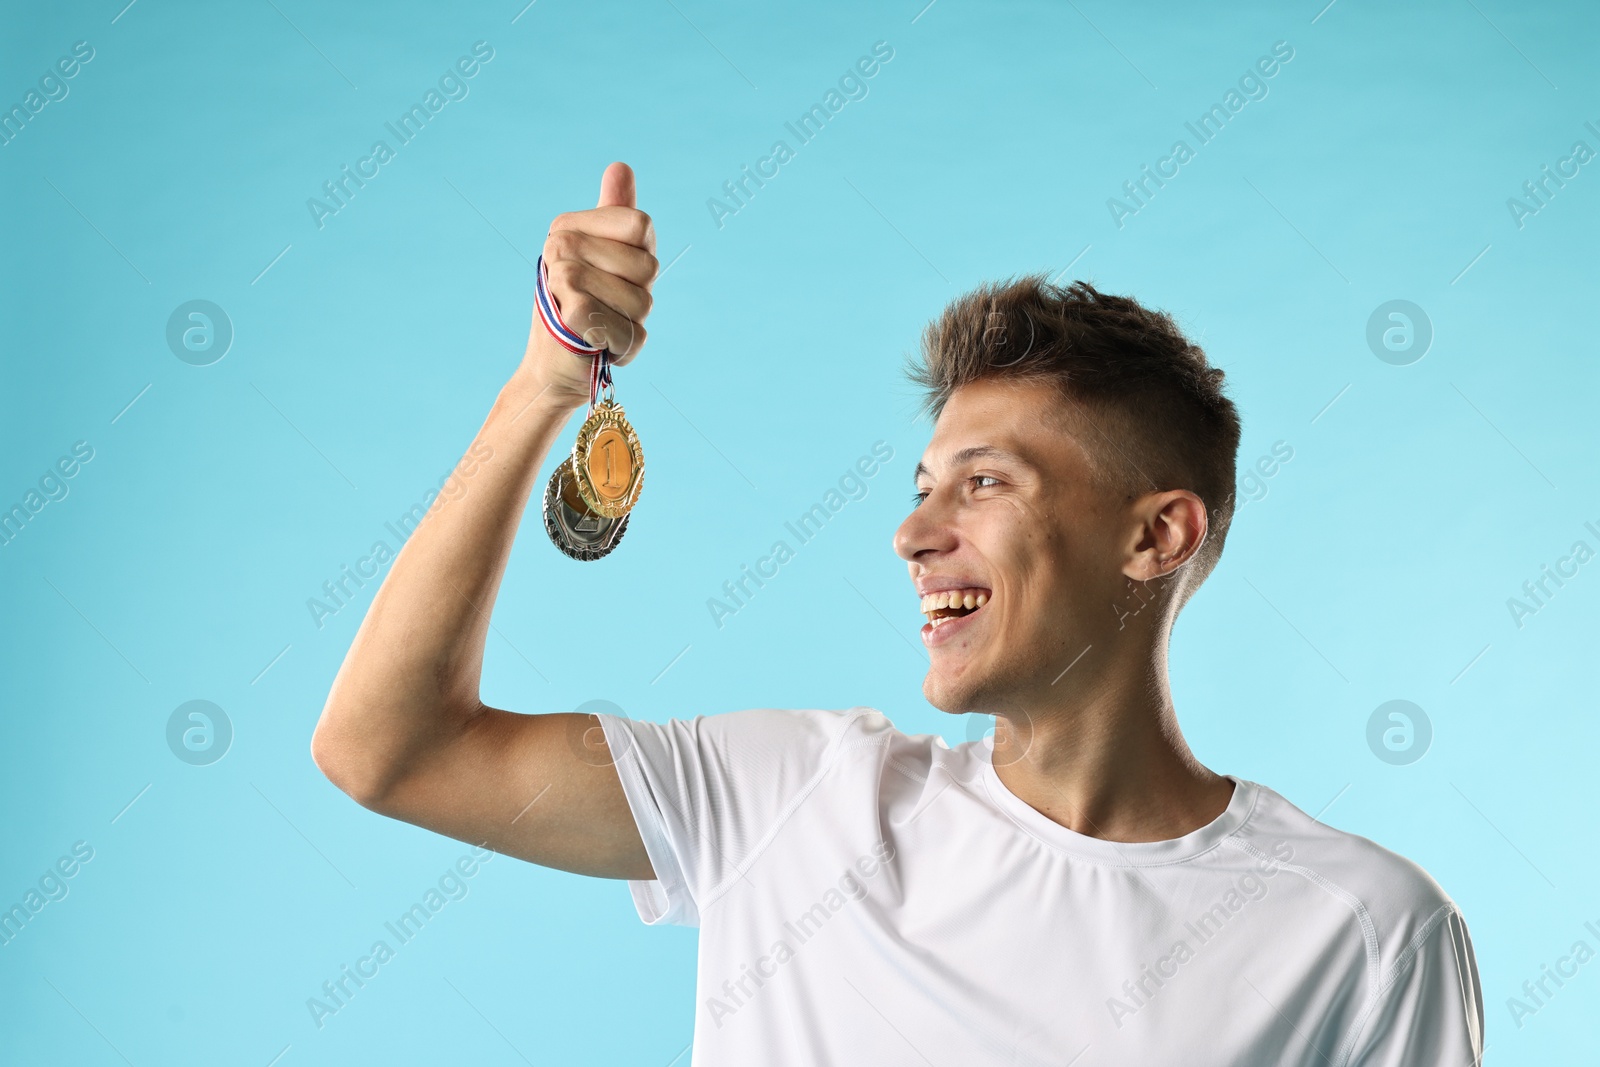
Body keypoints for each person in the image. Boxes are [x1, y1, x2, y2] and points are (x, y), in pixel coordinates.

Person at [311, 161, 1484, 1065]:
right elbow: (388, 746)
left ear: (1153, 535)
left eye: (984, 482)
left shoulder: (1367, 931)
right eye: (921, 487)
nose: (913, 535)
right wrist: (546, 385)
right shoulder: (789, 800)